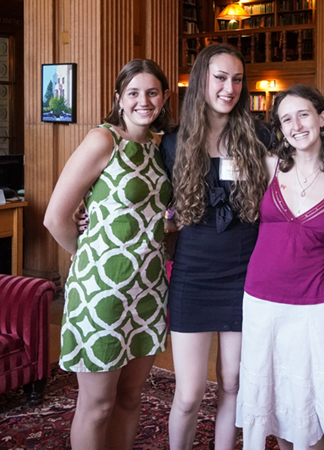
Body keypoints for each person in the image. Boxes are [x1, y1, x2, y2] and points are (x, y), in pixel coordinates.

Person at [44, 59, 174, 450]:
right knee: (98, 404)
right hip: (102, 293)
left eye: (152, 92)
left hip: (148, 290)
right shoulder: (104, 140)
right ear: (119, 98)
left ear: (165, 98)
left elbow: (146, 215)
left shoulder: (159, 147)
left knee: (130, 398)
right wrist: (90, 258)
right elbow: (55, 218)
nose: (143, 101)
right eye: (133, 93)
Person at [235, 84, 324, 450]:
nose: (296, 125)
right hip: (261, 297)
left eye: (303, 114)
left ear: (322, 118)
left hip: (314, 301)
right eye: (286, 119)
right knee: (271, 389)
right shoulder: (268, 166)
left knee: (313, 388)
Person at [160, 43, 269, 450]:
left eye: (237, 79)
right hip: (193, 273)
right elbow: (154, 203)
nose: (230, 87)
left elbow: (288, 192)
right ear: (202, 80)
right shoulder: (172, 142)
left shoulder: (259, 136)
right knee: (188, 395)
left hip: (246, 272)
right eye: (220, 78)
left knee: (232, 383)